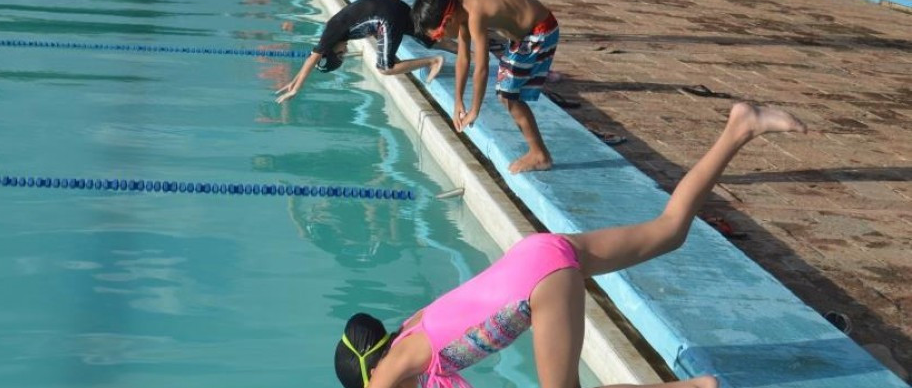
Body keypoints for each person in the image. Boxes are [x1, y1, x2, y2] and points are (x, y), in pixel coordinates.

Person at [334, 102, 806, 388]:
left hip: (539, 283)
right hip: (535, 253)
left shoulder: (388, 373)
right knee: (670, 229)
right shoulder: (411, 331)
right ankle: (741, 126)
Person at [412, 0, 557, 173]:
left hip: (540, 30)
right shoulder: (461, 10)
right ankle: (538, 152)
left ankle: (539, 155)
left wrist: (474, 110)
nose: (442, 39)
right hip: (525, 36)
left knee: (508, 95)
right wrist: (458, 101)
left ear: (447, 21)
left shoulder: (474, 14)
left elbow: (481, 67)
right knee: (508, 93)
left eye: (439, 36)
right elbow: (463, 59)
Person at [275, 0, 443, 103]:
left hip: (388, 16)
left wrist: (296, 89)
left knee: (385, 68)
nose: (345, 51)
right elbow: (311, 57)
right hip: (395, 8)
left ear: (331, 50)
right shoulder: (332, 38)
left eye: (341, 54)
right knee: (428, 38)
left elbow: (313, 59)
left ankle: (432, 61)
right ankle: (466, 52)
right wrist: (293, 81)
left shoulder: (330, 34)